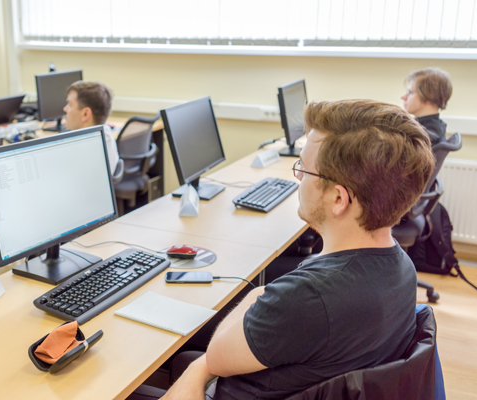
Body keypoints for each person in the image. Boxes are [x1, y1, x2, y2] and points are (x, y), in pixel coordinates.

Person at [129, 99, 435, 400]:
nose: (298, 177)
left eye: (304, 169)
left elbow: (215, 358)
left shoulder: (308, 298)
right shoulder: (401, 267)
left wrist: (255, 298)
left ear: (339, 199)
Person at [63, 80, 119, 174]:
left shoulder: (83, 155)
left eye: (70, 105)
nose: (65, 109)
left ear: (86, 114)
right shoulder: (105, 135)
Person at [402, 67, 452, 145]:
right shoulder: (437, 127)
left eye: (410, 92)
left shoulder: (421, 138)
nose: (403, 97)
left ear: (429, 97)